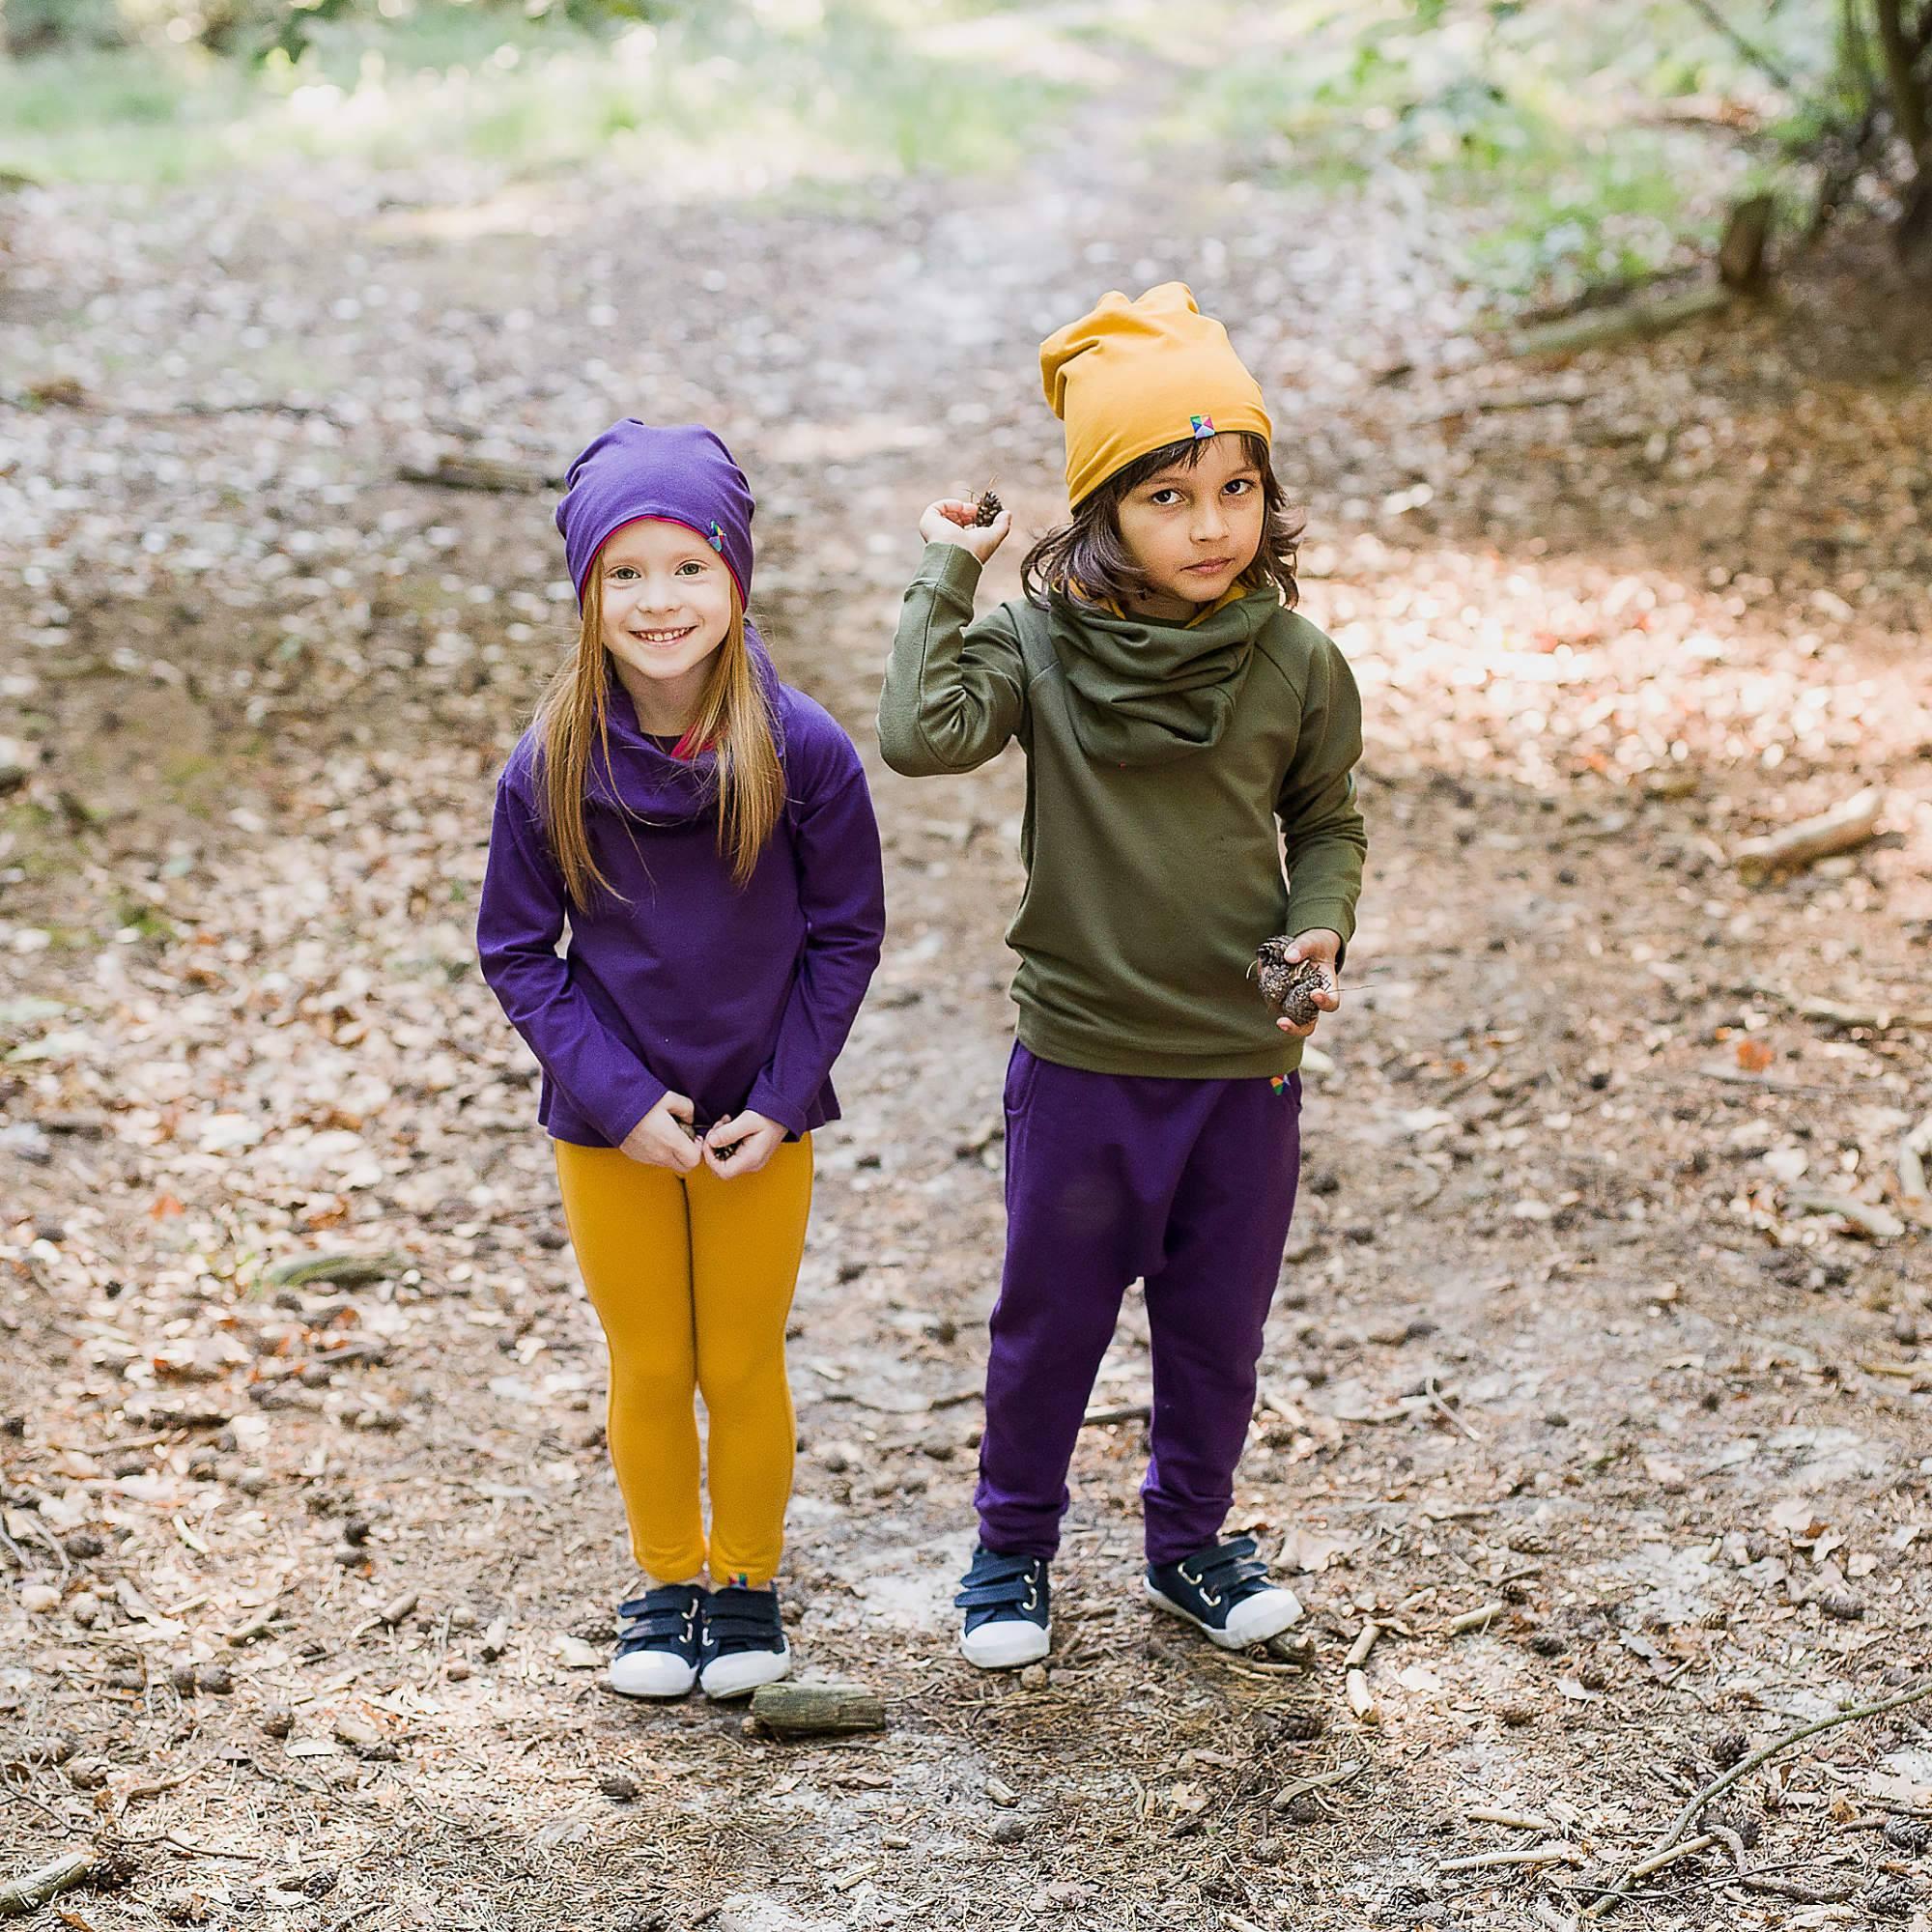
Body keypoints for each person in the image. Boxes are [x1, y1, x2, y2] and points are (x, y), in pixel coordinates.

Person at [878, 285, 1367, 1668]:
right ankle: (1010, 1552)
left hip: (1243, 1055)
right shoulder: (1040, 647)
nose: (1212, 525)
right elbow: (920, 735)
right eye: (1169, 496)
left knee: (1217, 1330)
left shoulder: (1295, 661)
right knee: (1053, 1322)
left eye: (1237, 487)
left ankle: (1190, 1545)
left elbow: (1327, 819)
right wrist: (946, 573)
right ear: (1102, 515)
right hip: (1086, 1054)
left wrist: (1319, 926)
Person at [478, 420, 885, 1699]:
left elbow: (845, 933)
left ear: (738, 579)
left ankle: (747, 1588)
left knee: (739, 1358)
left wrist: (778, 1100)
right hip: (612, 1124)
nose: (660, 603)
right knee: (650, 1364)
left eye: (689, 569)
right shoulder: (552, 764)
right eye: (627, 576)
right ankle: (664, 1586)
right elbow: (517, 952)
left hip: (759, 1118)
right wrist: (613, 1095)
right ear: (588, 595)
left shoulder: (803, 749)